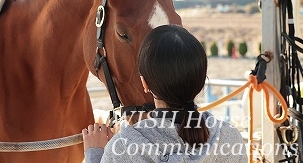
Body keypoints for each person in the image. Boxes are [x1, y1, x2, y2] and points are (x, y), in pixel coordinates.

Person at [82, 24, 248, 162]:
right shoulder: (229, 138)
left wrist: (95, 153)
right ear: (202, 81)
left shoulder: (124, 148)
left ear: (145, 83)